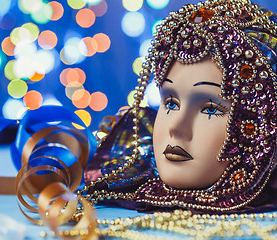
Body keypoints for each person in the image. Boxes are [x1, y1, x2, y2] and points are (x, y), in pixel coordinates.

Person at [83, 0, 277, 213]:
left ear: (262, 126)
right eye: (171, 103)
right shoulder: (110, 184)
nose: (175, 127)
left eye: (210, 108)